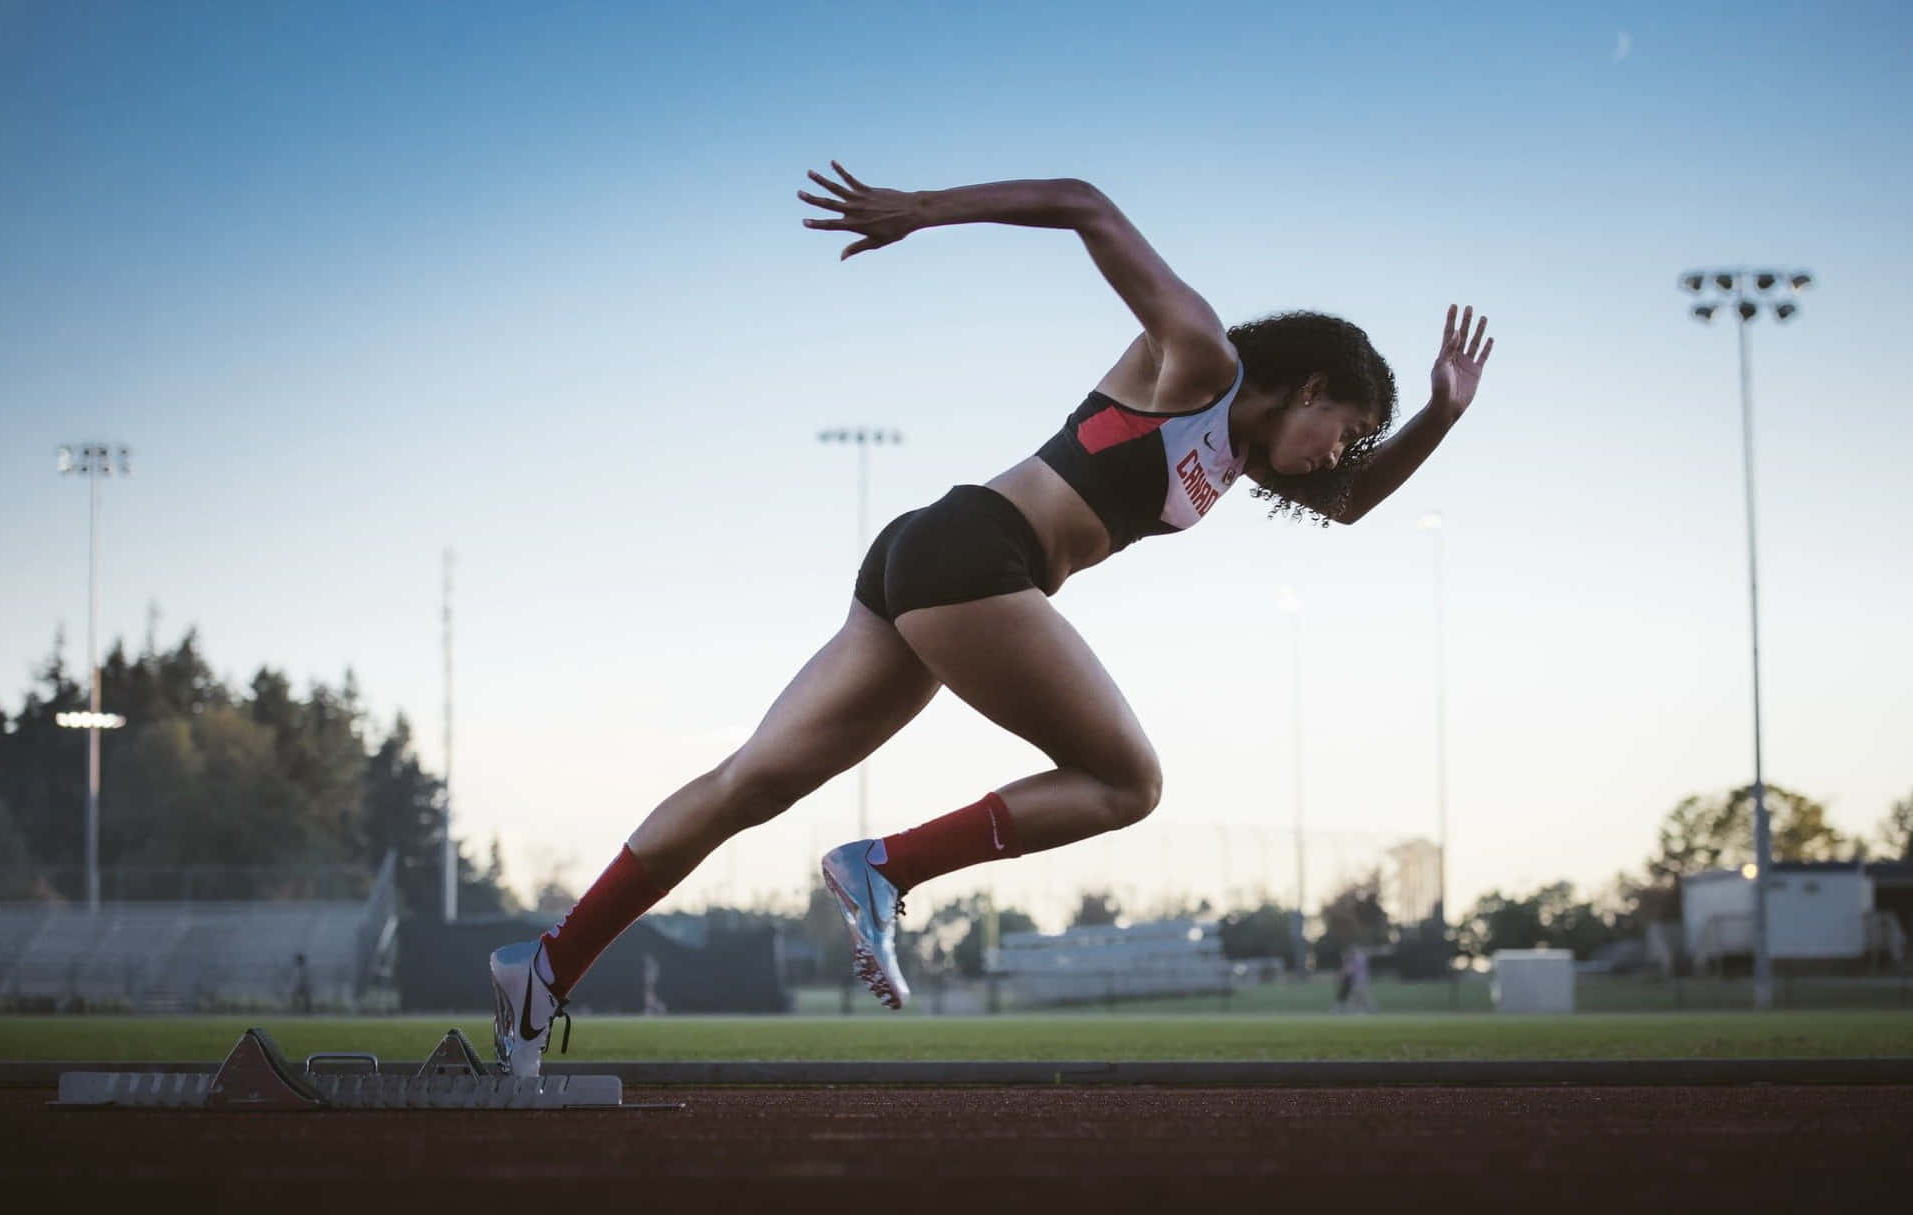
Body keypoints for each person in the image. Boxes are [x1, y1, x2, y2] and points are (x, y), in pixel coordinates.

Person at [489, 163, 1494, 1075]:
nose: (1339, 454)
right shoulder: (1199, 356)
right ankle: (883, 867)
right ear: (1312, 383)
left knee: (749, 781)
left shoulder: (1238, 456)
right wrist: (918, 212)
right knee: (1127, 781)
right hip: (976, 553)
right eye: (1348, 428)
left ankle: (543, 967)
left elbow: (1350, 505)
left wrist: (1440, 416)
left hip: (933, 560)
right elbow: (1084, 203)